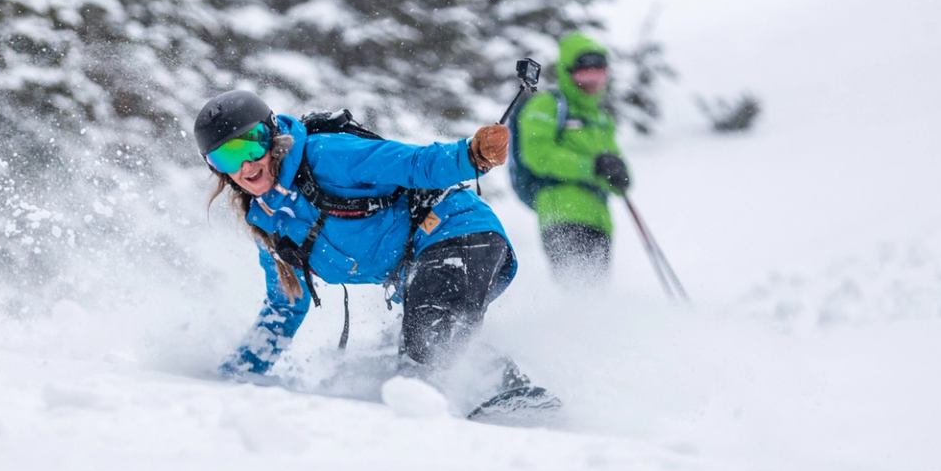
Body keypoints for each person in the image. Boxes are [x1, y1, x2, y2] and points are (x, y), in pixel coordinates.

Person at [198, 90, 551, 414]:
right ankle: (515, 399)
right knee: (405, 361)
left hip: (457, 230)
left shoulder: (326, 155)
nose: (245, 165)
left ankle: (492, 413)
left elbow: (412, 163)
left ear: (272, 137)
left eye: (251, 145)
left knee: (424, 349)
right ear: (215, 168)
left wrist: (471, 155)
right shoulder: (272, 222)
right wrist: (236, 374)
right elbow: (285, 304)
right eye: (227, 157)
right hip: (423, 266)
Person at [513, 31, 631, 283]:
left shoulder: (601, 119)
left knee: (595, 296)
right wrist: (591, 167)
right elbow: (537, 155)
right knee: (578, 287)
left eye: (598, 74)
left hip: (599, 217)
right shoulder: (547, 105)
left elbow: (616, 176)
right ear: (568, 73)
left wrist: (619, 175)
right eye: (584, 74)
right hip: (561, 211)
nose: (592, 82)